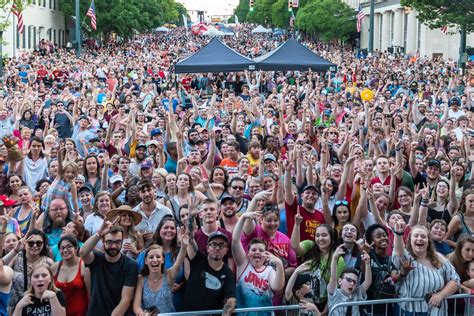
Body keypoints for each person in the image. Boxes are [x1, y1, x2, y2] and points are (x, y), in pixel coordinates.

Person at [393, 223, 460, 315]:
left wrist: (441, 295)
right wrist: (398, 234)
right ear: (410, 240)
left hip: (436, 311)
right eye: (416, 236)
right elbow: (399, 252)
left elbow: (455, 280)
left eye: (423, 236)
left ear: (428, 241)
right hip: (409, 311)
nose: (419, 238)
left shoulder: (438, 258)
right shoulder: (407, 257)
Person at [183, 199, 236, 314]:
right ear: (207, 248)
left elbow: (231, 299)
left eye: (221, 245)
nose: (217, 248)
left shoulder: (227, 273)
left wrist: (226, 312)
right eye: (214, 244)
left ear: (226, 249)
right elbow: (190, 238)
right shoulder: (198, 259)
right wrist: (191, 216)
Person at [79, 218, 138, 316]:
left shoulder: (130, 265)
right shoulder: (96, 259)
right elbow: (82, 252)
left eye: (118, 242)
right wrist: (99, 233)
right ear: (103, 241)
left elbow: (125, 300)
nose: (113, 246)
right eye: (109, 242)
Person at [232, 211, 285, 314]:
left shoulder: (269, 270)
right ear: (248, 253)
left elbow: (277, 286)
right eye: (254, 250)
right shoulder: (243, 264)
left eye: (261, 251)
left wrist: (279, 264)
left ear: (266, 255)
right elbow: (235, 240)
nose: (257, 252)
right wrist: (242, 218)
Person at [132, 233, 187, 315]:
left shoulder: (169, 275)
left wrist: (184, 246)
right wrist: (141, 313)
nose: (155, 260)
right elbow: (136, 306)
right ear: (146, 261)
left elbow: (178, 264)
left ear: (163, 260)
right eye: (151, 257)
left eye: (158, 257)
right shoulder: (141, 279)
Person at [327, 245, 372, 316]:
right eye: (348, 280)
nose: (352, 283)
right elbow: (333, 278)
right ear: (340, 281)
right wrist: (335, 258)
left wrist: (368, 264)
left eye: (354, 282)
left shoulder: (357, 293)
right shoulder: (334, 293)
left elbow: (367, 282)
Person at [52, 236, 90, 316]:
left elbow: (91, 295)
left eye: (69, 247)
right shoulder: (55, 268)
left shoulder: (84, 267)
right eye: (62, 248)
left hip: (81, 313)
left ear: (76, 249)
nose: (65, 250)